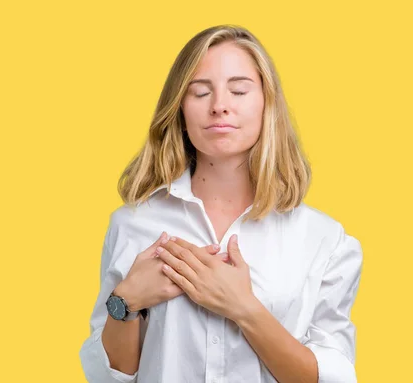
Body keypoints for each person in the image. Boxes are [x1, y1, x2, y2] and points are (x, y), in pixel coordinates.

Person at [79, 25, 363, 383]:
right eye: (200, 92)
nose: (219, 106)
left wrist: (244, 309)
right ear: (180, 110)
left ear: (266, 103)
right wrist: (125, 302)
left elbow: (330, 378)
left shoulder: (324, 240)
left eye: (239, 90)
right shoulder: (132, 224)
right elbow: (109, 378)